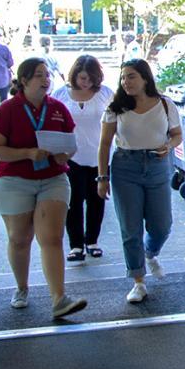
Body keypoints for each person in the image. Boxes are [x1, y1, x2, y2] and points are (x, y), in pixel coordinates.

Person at [0, 57, 87, 319]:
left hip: (53, 178)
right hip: (13, 181)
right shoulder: (6, 110)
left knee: (51, 237)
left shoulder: (58, 108)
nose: (46, 80)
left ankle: (59, 298)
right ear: (24, 80)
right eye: (39, 75)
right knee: (20, 238)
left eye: (47, 75)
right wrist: (28, 153)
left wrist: (65, 155)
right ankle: (21, 288)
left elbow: (71, 144)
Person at [97, 59, 182, 303]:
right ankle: (138, 281)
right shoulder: (116, 108)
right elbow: (104, 144)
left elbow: (177, 135)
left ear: (145, 78)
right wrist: (102, 177)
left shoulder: (165, 104)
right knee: (130, 228)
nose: (126, 82)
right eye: (123, 77)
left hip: (157, 165)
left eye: (131, 76)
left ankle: (150, 252)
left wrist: (169, 146)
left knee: (161, 225)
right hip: (125, 167)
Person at [52, 55, 114, 262]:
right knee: (73, 201)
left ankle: (92, 241)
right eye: (82, 78)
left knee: (97, 199)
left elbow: (119, 117)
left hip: (100, 156)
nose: (85, 82)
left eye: (90, 78)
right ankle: (76, 245)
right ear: (74, 75)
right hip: (71, 157)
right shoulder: (61, 94)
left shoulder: (105, 93)